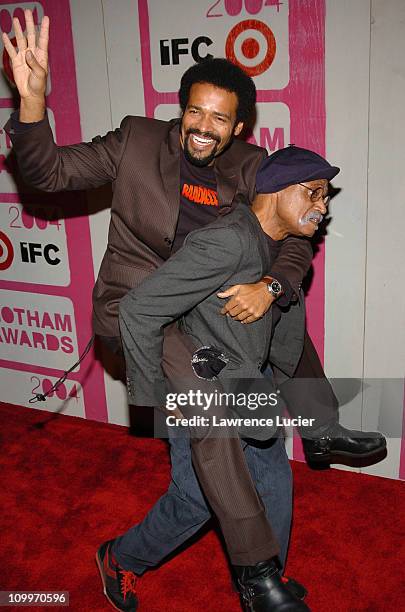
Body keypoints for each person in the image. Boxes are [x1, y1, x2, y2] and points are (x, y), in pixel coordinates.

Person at [2, 10, 386, 612]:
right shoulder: (135, 139)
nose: (205, 128)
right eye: (195, 112)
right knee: (206, 463)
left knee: (263, 455)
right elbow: (47, 172)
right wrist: (31, 103)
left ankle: (277, 554)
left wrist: (273, 288)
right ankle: (152, 563)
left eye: (221, 118)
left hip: (219, 321)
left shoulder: (253, 167)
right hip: (148, 317)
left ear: (239, 126)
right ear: (180, 108)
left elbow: (292, 234)